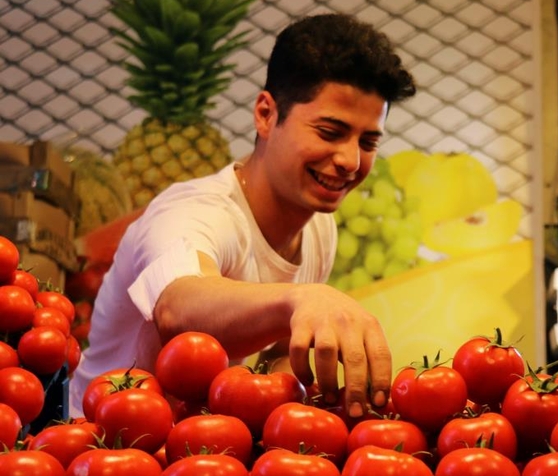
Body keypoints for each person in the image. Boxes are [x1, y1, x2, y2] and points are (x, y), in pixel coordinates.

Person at [68, 13, 416, 419]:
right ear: (266, 115)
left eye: (369, 141)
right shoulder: (195, 211)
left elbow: (276, 356)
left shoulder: (318, 226)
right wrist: (301, 299)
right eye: (330, 132)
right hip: (102, 446)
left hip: (202, 446)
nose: (350, 160)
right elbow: (177, 308)